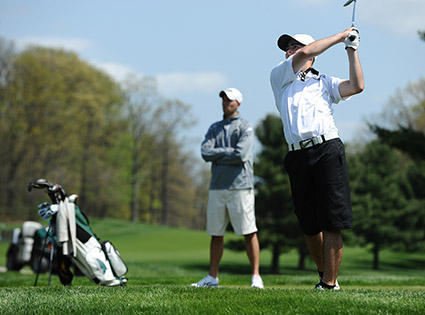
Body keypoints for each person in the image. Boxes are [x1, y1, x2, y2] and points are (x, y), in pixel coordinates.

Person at [270, 28, 364, 290]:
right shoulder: (279, 76)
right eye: (288, 47)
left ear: (312, 57)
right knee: (309, 224)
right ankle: (326, 274)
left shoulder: (323, 82)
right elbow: (308, 50)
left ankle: (328, 282)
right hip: (297, 154)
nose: (291, 50)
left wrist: (351, 49)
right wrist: (342, 35)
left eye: (296, 46)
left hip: (327, 149)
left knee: (332, 219)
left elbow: (356, 86)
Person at [192, 87, 264, 289]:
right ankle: (212, 277)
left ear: (238, 103)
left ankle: (256, 276)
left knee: (249, 231)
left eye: (230, 100)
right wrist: (227, 151)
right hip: (217, 186)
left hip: (241, 187)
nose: (226, 103)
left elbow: (241, 155)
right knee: (216, 233)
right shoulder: (214, 128)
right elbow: (206, 153)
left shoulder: (246, 127)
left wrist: (219, 154)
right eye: (223, 100)